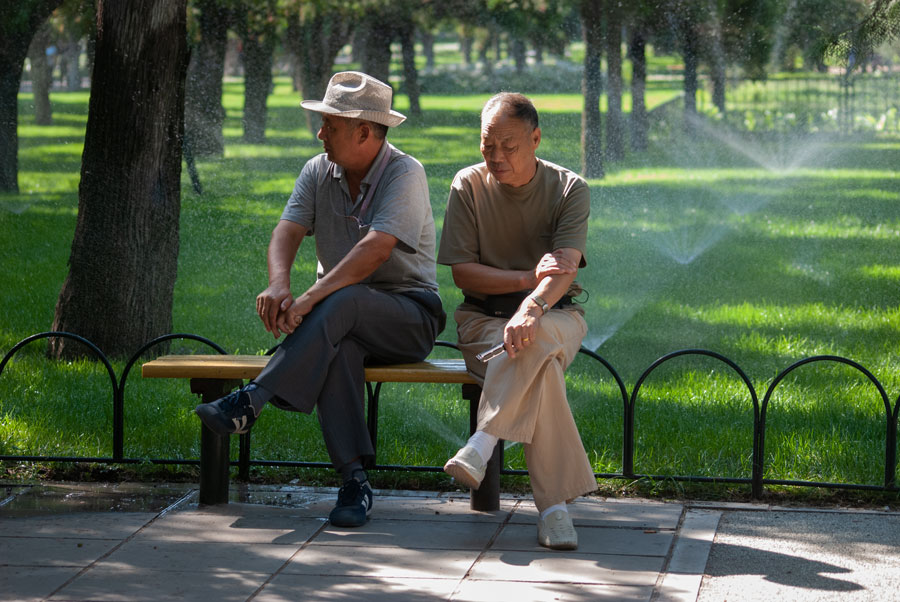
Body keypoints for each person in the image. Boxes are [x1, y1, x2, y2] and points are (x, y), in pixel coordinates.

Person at [195, 71, 444, 528]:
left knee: (342, 302)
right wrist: (278, 284)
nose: (320, 133)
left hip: (410, 316)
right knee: (339, 345)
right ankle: (354, 483)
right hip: (339, 319)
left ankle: (254, 399)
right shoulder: (317, 169)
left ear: (364, 132)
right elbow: (286, 230)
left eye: (329, 125)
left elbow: (375, 250)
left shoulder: (406, 173)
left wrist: (308, 299)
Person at [437, 93, 596, 550]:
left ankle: (482, 443)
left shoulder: (569, 188)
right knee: (540, 370)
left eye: (509, 146)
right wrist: (527, 279)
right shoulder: (467, 185)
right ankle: (554, 510)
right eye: (488, 145)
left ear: (536, 138)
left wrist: (531, 306)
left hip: (555, 317)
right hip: (483, 322)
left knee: (538, 337)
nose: (497, 157)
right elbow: (463, 272)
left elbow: (563, 268)